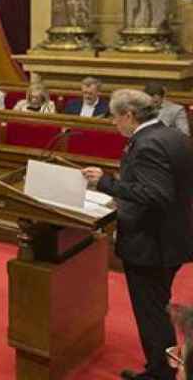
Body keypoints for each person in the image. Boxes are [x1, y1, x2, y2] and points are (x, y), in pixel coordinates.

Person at [81, 90, 193, 380]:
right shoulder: (172, 135)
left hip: (151, 244)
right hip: (172, 237)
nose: (114, 124)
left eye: (116, 117)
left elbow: (156, 195)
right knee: (158, 308)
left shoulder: (146, 144)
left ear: (129, 115)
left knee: (152, 313)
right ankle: (163, 367)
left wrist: (108, 184)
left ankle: (161, 374)